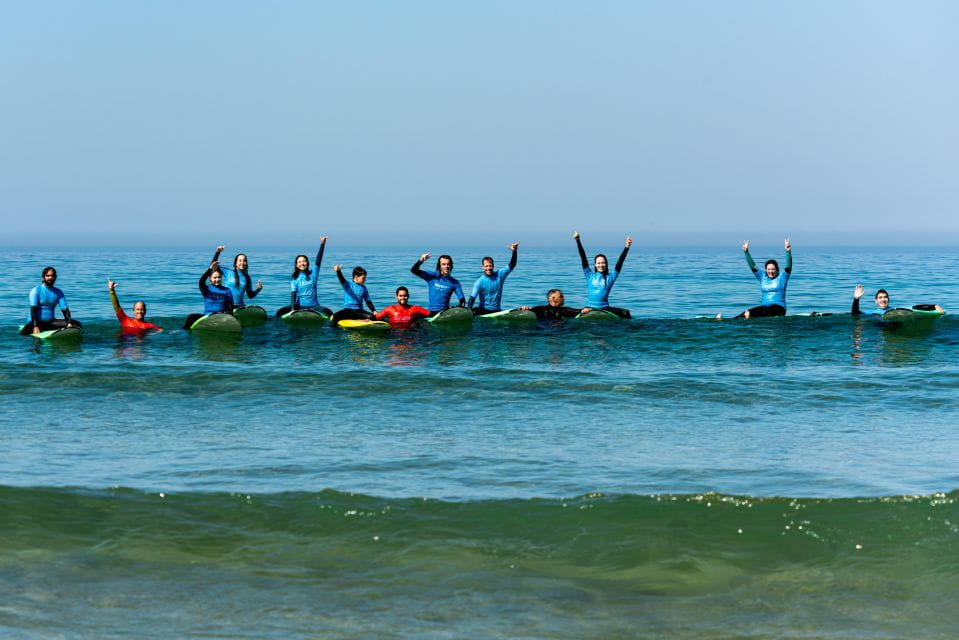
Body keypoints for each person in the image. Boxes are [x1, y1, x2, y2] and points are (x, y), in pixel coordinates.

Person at [574, 232, 632, 318]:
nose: (601, 265)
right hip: (589, 308)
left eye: (603, 263)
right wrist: (578, 240)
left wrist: (627, 247)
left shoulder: (611, 277)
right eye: (598, 263)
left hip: (605, 308)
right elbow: (583, 257)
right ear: (595, 265)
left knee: (626, 313)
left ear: (606, 264)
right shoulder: (589, 275)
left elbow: (620, 262)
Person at [275, 236, 333, 317]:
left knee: (329, 312)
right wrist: (292, 309)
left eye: (304, 261)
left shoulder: (313, 273)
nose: (302, 263)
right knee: (279, 312)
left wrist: (322, 244)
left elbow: (319, 259)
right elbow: (293, 293)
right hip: (299, 306)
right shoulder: (295, 278)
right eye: (299, 262)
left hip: (314, 306)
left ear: (307, 263)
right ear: (296, 265)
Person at [736, 239, 792, 318]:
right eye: (768, 269)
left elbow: (788, 267)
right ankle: (726, 321)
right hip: (765, 308)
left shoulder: (783, 277)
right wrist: (746, 252)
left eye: (773, 269)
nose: (771, 271)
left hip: (779, 308)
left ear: (777, 270)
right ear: (766, 270)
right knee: (746, 313)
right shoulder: (762, 277)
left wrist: (788, 252)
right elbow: (752, 266)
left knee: (761, 313)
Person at [20, 266, 81, 335]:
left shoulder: (58, 292)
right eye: (48, 275)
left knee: (76, 324)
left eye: (52, 276)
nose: (50, 278)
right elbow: (33, 309)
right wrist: (35, 326)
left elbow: (65, 309)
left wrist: (69, 322)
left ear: (55, 277)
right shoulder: (36, 291)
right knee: (23, 333)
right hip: (35, 322)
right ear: (43, 277)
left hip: (50, 322)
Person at [469, 242, 519, 315]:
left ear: (493, 266)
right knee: (474, 310)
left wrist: (514, 251)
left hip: (496, 311)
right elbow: (472, 298)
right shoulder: (479, 282)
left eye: (490, 266)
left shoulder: (500, 275)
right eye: (486, 266)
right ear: (482, 267)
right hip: (482, 310)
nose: (488, 268)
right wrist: (468, 311)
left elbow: (512, 265)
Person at [183, 260, 234, 328]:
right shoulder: (206, 289)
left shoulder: (227, 290)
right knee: (191, 317)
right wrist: (210, 269)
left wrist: (232, 318)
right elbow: (201, 281)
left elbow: (230, 306)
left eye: (219, 277)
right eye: (215, 278)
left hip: (221, 317)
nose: (217, 279)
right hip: (207, 317)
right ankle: (183, 330)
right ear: (210, 278)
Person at [852, 285, 945, 316]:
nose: (883, 299)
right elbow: (855, 313)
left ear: (888, 299)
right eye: (880, 298)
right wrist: (856, 299)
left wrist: (934, 306)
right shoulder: (873, 312)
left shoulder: (896, 310)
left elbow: (915, 307)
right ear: (875, 301)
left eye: (885, 297)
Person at [520, 289, 591, 321]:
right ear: (553, 299)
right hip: (560, 332)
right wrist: (525, 308)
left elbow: (578, 311)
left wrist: (584, 310)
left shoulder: (540, 309)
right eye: (561, 296)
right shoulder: (564, 310)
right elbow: (529, 310)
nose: (564, 298)